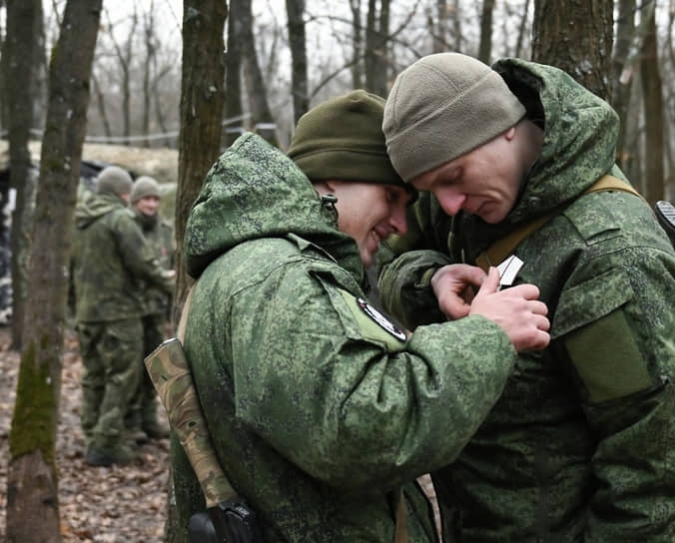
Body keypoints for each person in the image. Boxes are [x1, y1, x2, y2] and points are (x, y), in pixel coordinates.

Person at [172, 90, 550, 541]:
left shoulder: (260, 265)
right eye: (390, 196)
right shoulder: (278, 277)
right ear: (332, 180)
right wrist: (486, 334)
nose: (399, 223)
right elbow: (361, 432)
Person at [378, 52, 675, 542]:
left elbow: (654, 478)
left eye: (452, 177)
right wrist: (430, 282)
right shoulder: (470, 198)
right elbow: (386, 262)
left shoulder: (610, 255)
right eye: (428, 190)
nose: (447, 204)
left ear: (502, 126)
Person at [73, 165, 175, 466]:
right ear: (123, 193)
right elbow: (143, 263)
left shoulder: (79, 221)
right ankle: (106, 441)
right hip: (119, 313)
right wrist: (172, 285)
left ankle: (93, 431)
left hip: (87, 312)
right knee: (123, 376)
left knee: (93, 375)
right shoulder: (121, 219)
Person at [125, 176, 175, 441]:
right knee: (129, 370)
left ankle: (148, 419)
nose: (151, 204)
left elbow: (172, 267)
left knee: (153, 369)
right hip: (130, 309)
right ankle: (131, 423)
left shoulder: (165, 231)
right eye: (146, 198)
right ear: (135, 201)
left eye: (155, 199)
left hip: (155, 309)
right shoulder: (126, 227)